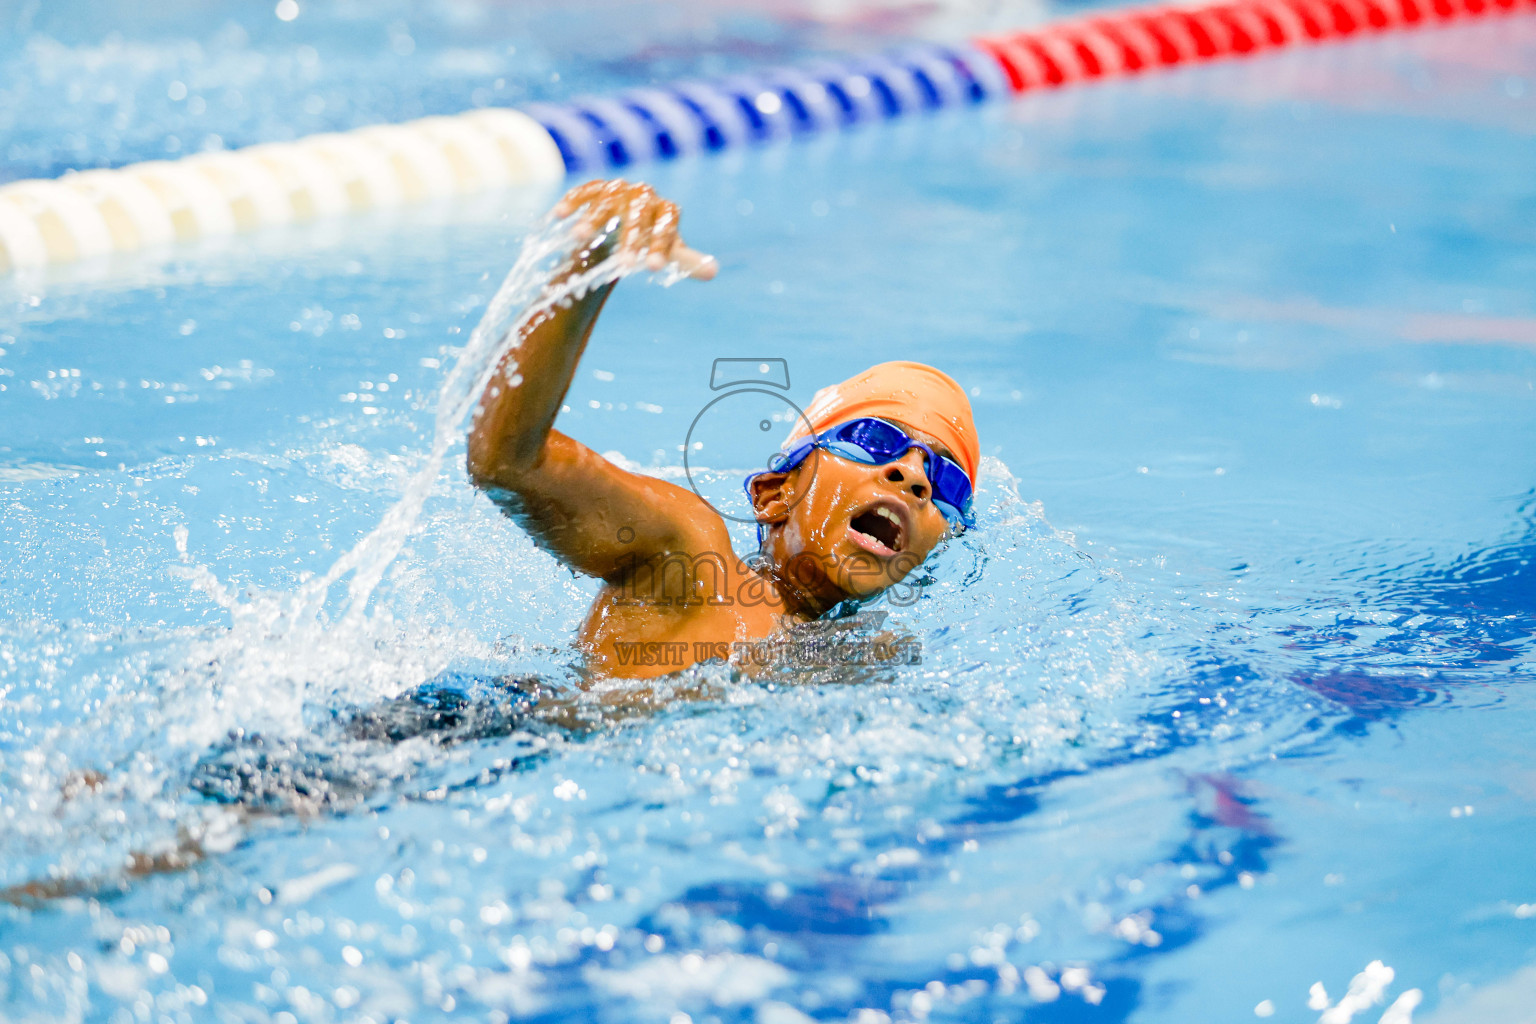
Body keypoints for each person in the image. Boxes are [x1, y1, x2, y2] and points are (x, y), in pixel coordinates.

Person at [467, 179, 981, 679]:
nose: (914, 476)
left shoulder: (861, 661)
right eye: (876, 440)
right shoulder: (689, 555)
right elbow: (508, 461)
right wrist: (593, 263)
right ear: (775, 494)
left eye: (946, 480)